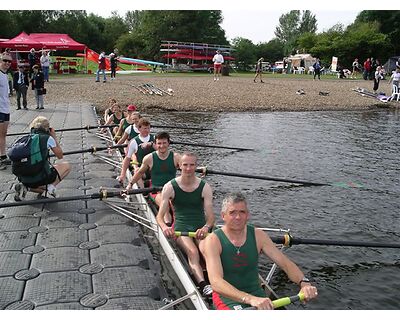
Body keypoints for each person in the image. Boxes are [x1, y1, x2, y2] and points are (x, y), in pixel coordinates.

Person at [203, 192, 318, 310]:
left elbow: (285, 264)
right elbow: (216, 282)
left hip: (257, 295)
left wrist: (304, 283)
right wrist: (249, 299)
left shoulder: (258, 236)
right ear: (223, 216)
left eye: (242, 212)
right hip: (227, 299)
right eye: (232, 213)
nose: (238, 217)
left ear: (248, 215)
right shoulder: (213, 240)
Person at [157, 152, 215, 297]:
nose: (188, 168)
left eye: (192, 165)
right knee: (193, 252)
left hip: (201, 228)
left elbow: (211, 217)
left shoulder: (205, 187)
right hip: (181, 229)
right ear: (179, 166)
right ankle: (203, 285)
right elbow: (159, 217)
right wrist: (165, 227)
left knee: (208, 251)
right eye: (185, 165)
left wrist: (206, 227)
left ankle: (218, 280)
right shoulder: (170, 187)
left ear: (196, 166)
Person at [125, 131, 181, 224]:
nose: (162, 146)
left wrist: (200, 169)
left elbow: (188, 168)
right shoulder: (149, 158)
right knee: (165, 205)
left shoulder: (176, 157)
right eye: (159, 143)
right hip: (156, 190)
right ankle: (167, 227)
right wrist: (130, 185)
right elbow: (139, 173)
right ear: (155, 144)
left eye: (164, 143)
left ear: (168, 143)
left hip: (172, 189)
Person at [13, 116, 71, 201]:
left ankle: (25, 187)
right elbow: (60, 156)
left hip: (24, 178)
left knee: (40, 187)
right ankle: (51, 188)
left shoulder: (25, 139)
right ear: (47, 128)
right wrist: (54, 137)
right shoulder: (47, 138)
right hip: (40, 177)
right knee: (67, 166)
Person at [118, 117, 155, 188]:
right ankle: (143, 191)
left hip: (154, 169)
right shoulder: (134, 141)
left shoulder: (154, 138)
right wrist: (122, 175)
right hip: (142, 170)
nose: (147, 130)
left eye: (148, 128)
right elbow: (127, 159)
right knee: (137, 171)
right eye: (145, 128)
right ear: (139, 129)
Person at [0, 52, 13, 170]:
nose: (7, 63)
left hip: (5, 108)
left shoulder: (6, 75)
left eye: (9, 61)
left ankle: (2, 156)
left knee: (3, 134)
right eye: (5, 60)